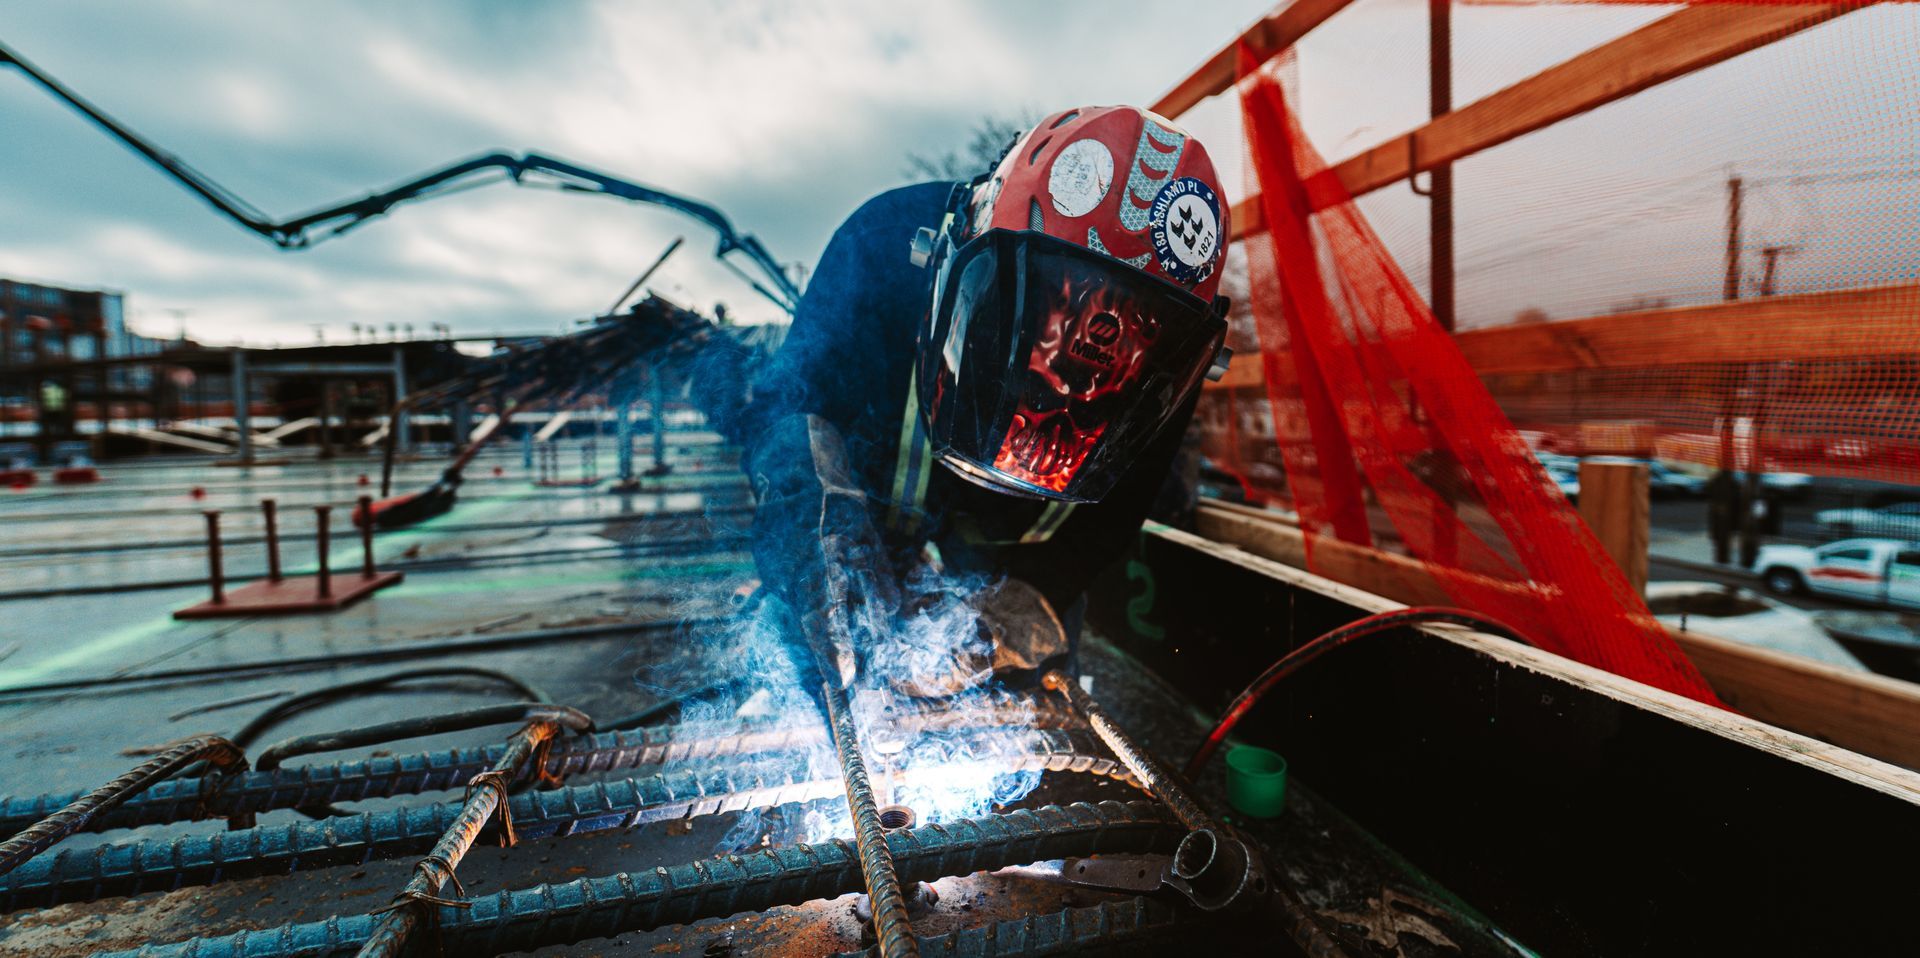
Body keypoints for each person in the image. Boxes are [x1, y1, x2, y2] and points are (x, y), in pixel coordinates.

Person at [741, 105, 1232, 688]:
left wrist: (1023, 607)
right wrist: (819, 529)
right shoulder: (879, 244)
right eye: (1034, 348)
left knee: (1018, 709)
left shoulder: (1167, 356)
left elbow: (1116, 513)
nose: (1056, 389)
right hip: (863, 520)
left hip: (1014, 554)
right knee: (819, 668)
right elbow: (787, 407)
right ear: (953, 256)